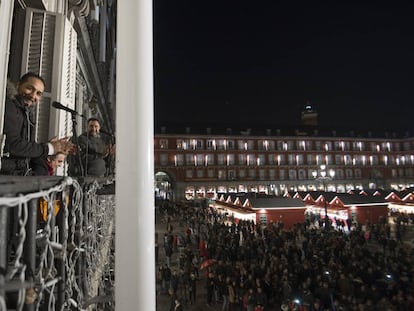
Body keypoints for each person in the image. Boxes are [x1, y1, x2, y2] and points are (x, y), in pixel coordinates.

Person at [1, 72, 74, 176]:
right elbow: (12, 145)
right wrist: (49, 148)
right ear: (18, 85)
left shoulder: (27, 113)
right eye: (29, 88)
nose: (33, 96)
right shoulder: (9, 106)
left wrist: (53, 149)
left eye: (38, 94)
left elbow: (27, 148)